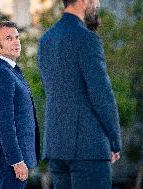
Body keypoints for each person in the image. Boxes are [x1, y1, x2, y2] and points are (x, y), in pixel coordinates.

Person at [37, 0, 122, 188]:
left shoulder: (45, 41)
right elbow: (101, 94)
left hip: (57, 146)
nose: (98, 4)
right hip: (88, 148)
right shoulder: (87, 39)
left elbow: (51, 89)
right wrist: (115, 140)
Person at [0, 21, 40, 189]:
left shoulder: (10, 71)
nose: (16, 42)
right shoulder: (2, 73)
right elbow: (5, 123)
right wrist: (17, 161)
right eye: (8, 38)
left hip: (13, 160)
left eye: (17, 37)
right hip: (10, 162)